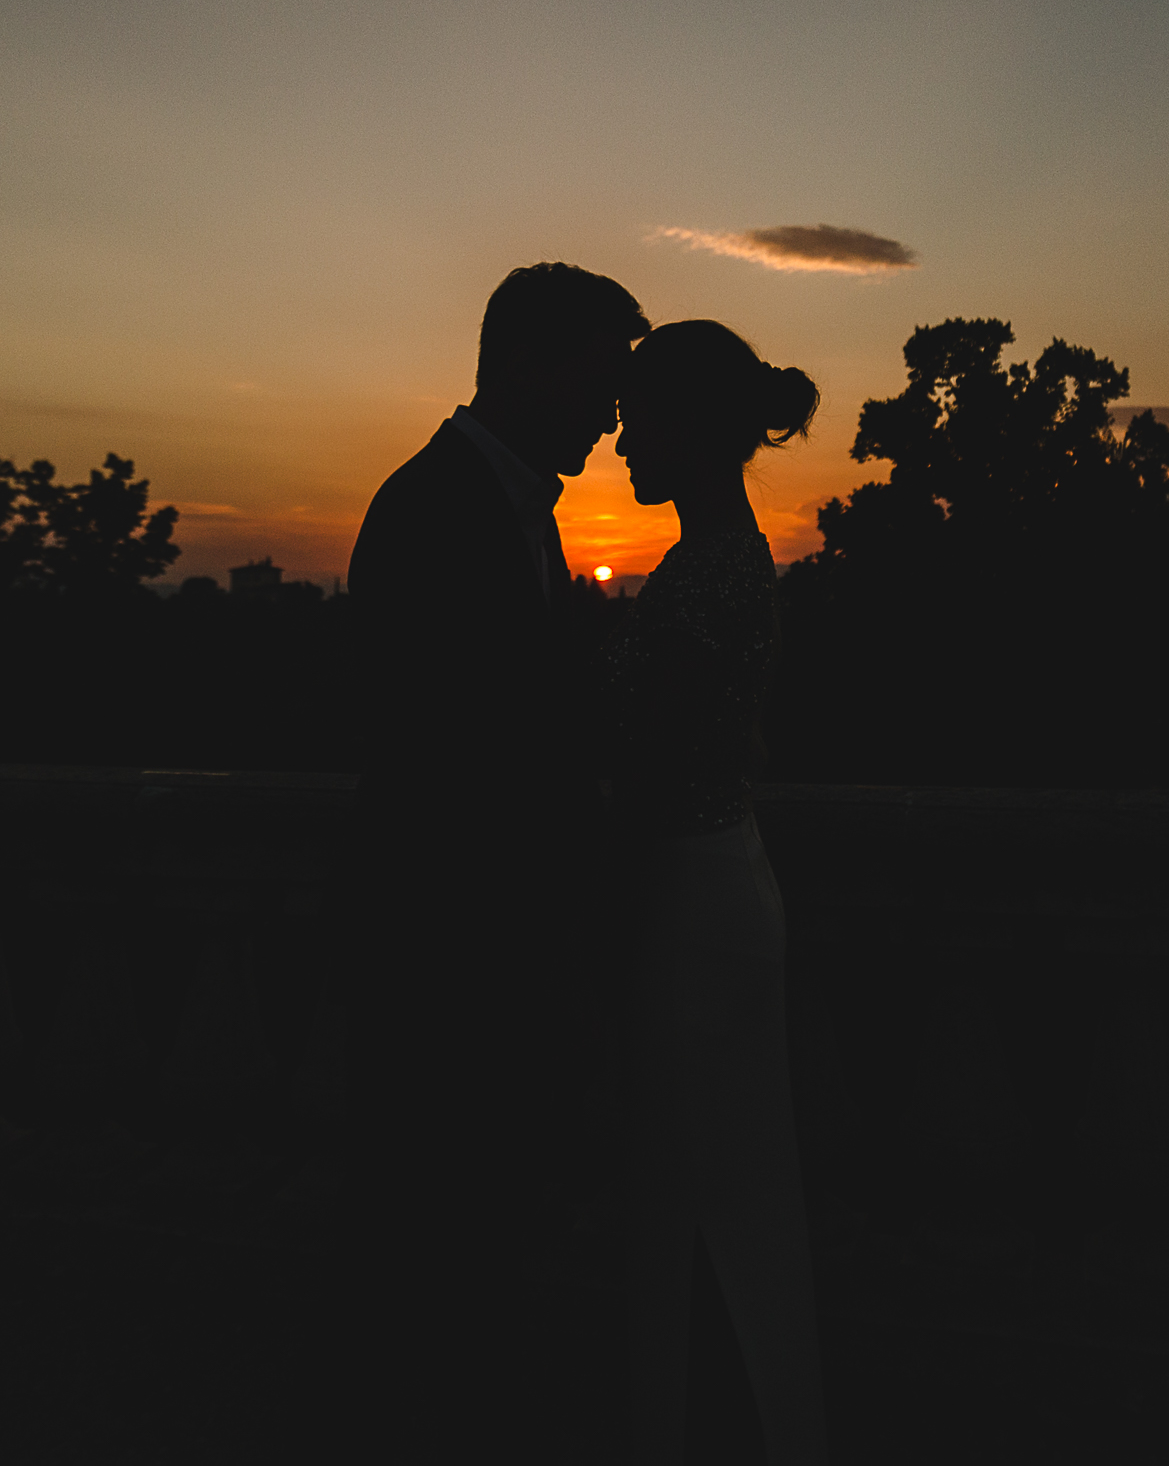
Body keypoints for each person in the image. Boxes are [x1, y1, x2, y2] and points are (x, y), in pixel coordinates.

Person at [342, 261, 649, 1454]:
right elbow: (439, 759)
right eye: (598, 381)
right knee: (443, 1248)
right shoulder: (429, 509)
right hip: (450, 957)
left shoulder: (523, 507)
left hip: (500, 957)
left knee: (484, 1245)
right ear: (525, 366)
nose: (612, 415)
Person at [598, 319, 830, 1465]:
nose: (620, 439)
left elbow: (638, 770)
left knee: (701, 1183)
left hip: (693, 902)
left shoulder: (706, 572)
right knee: (724, 1175)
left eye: (638, 416)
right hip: (714, 886)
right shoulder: (728, 557)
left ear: (688, 428)